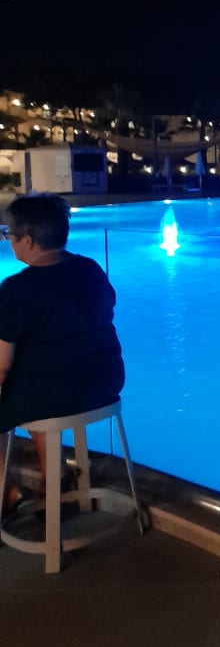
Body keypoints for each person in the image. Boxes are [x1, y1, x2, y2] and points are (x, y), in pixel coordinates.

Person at [0, 194, 125, 511]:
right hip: (105, 385)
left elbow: (2, 365)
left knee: (21, 394)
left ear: (28, 240)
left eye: (9, 235)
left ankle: (6, 491)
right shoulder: (91, 269)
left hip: (54, 396)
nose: (9, 242)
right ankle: (54, 479)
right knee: (34, 387)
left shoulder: (17, 289)